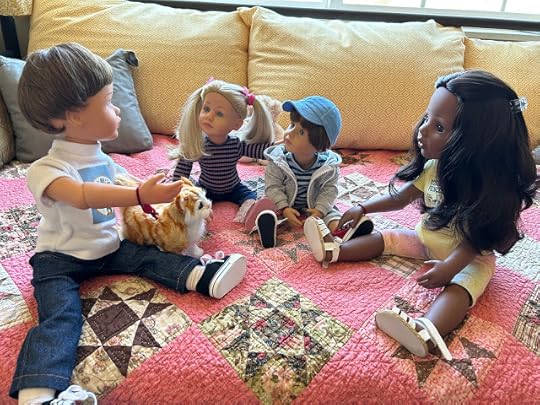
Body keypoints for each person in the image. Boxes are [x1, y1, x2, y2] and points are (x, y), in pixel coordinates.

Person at [10, 43, 247, 404]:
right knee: (60, 317)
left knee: (147, 257)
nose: (118, 109)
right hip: (58, 260)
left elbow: (130, 189)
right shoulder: (48, 169)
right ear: (74, 116)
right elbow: (82, 195)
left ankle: (202, 276)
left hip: (108, 246)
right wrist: (137, 195)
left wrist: (158, 200)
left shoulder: (103, 159)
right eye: (108, 102)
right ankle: (38, 395)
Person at [304, 70, 537, 360]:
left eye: (439, 127)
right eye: (427, 118)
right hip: (426, 239)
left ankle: (427, 331)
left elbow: (474, 242)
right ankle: (334, 251)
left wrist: (450, 268)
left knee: (462, 288)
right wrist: (363, 208)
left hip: (469, 258)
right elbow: (400, 198)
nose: (422, 131)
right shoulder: (433, 169)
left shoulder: (484, 190)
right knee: (388, 238)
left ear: (476, 142)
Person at [245, 96, 373, 248]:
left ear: (320, 143)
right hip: (283, 202)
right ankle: (266, 226)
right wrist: (284, 208)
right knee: (267, 204)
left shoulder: (328, 166)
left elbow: (329, 190)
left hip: (313, 204)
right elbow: (273, 187)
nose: (290, 133)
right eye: (292, 125)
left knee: (331, 213)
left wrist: (320, 210)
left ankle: (344, 231)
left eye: (300, 132)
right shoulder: (278, 160)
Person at [169, 79, 275, 224]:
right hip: (205, 188)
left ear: (237, 124)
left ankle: (249, 215)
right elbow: (182, 171)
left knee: (250, 197)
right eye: (206, 109)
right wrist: (176, 191)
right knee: (193, 201)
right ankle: (197, 221)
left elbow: (260, 151)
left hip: (234, 188)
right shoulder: (198, 145)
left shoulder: (236, 145)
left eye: (219, 113)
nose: (209, 116)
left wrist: (281, 148)